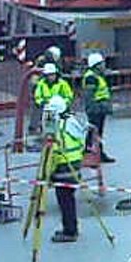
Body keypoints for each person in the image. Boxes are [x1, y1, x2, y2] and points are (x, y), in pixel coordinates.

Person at [43, 95, 85, 243]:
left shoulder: (58, 128)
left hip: (63, 166)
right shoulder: (71, 121)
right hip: (75, 163)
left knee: (65, 200)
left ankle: (70, 231)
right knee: (69, 198)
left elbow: (53, 153)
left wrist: (48, 174)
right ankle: (71, 228)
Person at [81, 52, 115, 163]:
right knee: (93, 133)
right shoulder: (91, 77)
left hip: (99, 109)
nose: (104, 65)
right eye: (101, 63)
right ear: (96, 65)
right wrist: (95, 109)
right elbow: (89, 96)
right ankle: (90, 155)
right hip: (96, 109)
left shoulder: (97, 76)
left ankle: (98, 153)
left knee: (97, 133)